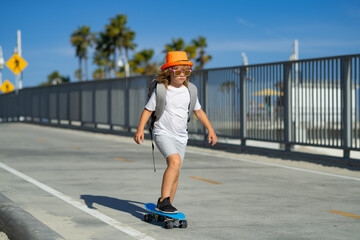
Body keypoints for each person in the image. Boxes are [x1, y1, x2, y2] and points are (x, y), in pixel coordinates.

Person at [134, 51, 217, 213]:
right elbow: (148, 110)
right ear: (168, 72)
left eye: (186, 71)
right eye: (178, 70)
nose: (182, 74)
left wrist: (210, 129)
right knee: (175, 162)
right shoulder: (161, 90)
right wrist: (139, 130)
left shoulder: (190, 90)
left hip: (181, 136)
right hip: (162, 132)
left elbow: (198, 111)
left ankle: (167, 205)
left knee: (176, 170)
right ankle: (164, 200)